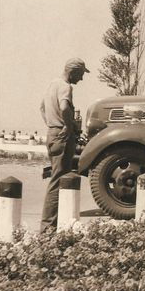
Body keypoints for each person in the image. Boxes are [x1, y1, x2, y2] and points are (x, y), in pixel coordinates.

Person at [39, 58, 89, 233]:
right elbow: (65, 107)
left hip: (53, 134)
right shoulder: (66, 87)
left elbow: (42, 108)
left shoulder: (52, 84)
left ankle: (51, 225)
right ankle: (47, 229)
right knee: (58, 181)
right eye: (81, 75)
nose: (81, 79)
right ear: (73, 72)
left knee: (56, 177)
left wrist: (52, 125)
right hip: (63, 136)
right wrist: (67, 126)